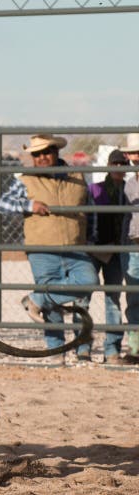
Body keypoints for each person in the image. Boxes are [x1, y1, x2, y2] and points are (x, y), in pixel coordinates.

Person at [0, 134, 97, 361]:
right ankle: (57, 350)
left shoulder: (77, 177)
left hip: (76, 246)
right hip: (42, 249)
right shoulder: (25, 179)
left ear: (56, 152)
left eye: (46, 152)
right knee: (54, 307)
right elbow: (3, 203)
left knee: (87, 284)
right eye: (36, 154)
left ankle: (37, 301)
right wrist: (29, 204)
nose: (42, 157)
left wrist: (91, 239)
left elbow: (89, 210)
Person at [88, 149, 128, 363]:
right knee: (84, 296)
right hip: (95, 248)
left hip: (116, 249)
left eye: (123, 164)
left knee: (113, 299)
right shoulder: (95, 189)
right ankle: (82, 347)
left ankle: (112, 350)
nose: (119, 168)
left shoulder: (129, 190)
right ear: (109, 165)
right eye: (116, 164)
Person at [119, 134, 139, 359]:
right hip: (133, 243)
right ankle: (135, 348)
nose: (134, 156)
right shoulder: (131, 182)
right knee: (134, 296)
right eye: (133, 152)